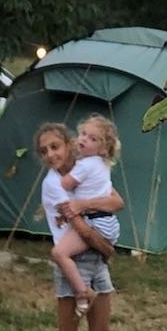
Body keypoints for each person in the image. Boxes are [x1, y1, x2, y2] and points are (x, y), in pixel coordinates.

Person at [31, 122, 123, 331]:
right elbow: (81, 229)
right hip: (75, 262)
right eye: (44, 151)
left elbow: (116, 201)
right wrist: (108, 248)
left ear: (70, 144)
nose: (50, 154)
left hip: (96, 262)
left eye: (55, 146)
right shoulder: (53, 185)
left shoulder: (90, 169)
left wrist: (86, 205)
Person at [50, 114, 121, 307]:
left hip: (94, 222)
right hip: (108, 222)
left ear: (103, 148)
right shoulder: (103, 165)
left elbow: (66, 184)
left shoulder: (85, 165)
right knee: (95, 254)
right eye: (82, 134)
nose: (84, 139)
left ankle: (82, 293)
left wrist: (65, 170)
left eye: (92, 139)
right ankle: (96, 275)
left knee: (59, 253)